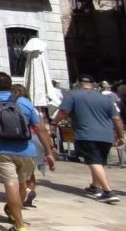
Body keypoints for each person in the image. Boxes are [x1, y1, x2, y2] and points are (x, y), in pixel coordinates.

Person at [0, 72, 56, 231]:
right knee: (22, 184)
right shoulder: (24, 102)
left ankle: (20, 226)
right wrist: (48, 152)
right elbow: (39, 129)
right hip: (26, 151)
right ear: (10, 85)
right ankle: (13, 210)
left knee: (10, 184)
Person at [52, 74, 124, 203]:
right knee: (99, 161)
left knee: (94, 161)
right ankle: (94, 186)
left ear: (79, 83)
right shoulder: (106, 98)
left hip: (86, 134)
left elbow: (64, 112)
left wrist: (54, 123)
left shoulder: (72, 95)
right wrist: (120, 135)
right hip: (106, 135)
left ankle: (108, 191)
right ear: (93, 84)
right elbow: (116, 118)